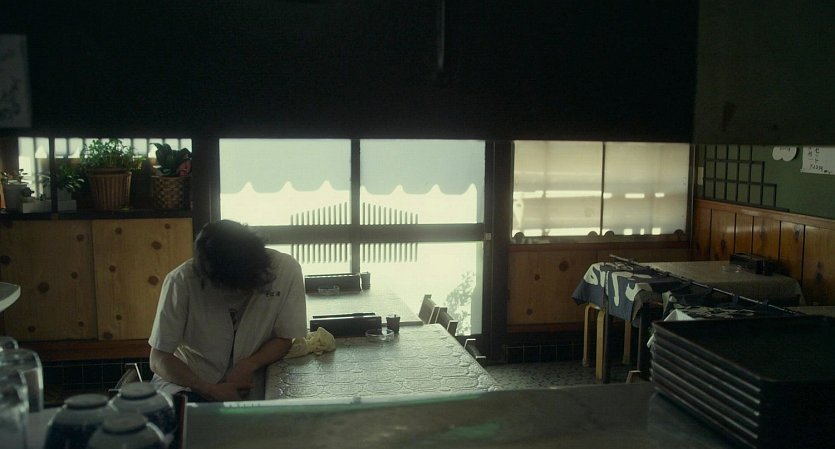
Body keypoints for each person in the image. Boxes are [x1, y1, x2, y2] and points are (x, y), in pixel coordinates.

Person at [148, 220, 307, 401]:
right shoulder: (181, 281)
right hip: (188, 383)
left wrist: (249, 365)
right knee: (188, 414)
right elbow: (158, 358)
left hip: (253, 380)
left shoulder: (285, 270)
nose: (239, 292)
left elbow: (284, 338)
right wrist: (208, 389)